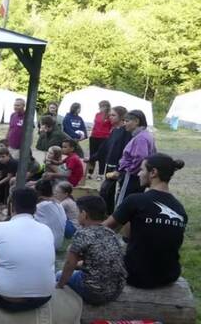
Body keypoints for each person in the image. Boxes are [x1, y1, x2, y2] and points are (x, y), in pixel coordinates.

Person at [104, 154, 186, 289]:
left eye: (142, 170)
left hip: (136, 276)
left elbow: (103, 229)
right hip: (169, 275)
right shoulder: (179, 208)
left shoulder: (135, 200)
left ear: (153, 173)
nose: (139, 174)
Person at [57, 196, 126, 305]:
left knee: (59, 275)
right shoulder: (110, 233)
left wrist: (60, 285)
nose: (77, 215)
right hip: (116, 290)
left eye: (78, 212)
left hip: (94, 292)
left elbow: (70, 264)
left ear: (84, 214)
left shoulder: (82, 234)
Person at [92, 106, 131, 214]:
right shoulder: (114, 130)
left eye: (113, 115)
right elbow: (105, 148)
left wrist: (119, 168)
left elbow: (126, 151)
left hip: (119, 167)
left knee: (106, 190)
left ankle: (113, 215)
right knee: (107, 192)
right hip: (110, 165)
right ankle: (108, 214)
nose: (110, 117)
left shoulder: (126, 131)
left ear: (121, 117)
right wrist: (92, 158)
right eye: (110, 115)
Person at [116, 110, 156, 207]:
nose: (124, 124)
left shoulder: (141, 138)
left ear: (137, 121)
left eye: (127, 121)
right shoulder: (145, 135)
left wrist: (129, 169)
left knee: (123, 203)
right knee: (133, 202)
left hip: (132, 177)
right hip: (138, 176)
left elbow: (141, 157)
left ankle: (119, 221)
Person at [34, 179, 67, 250]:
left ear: (38, 192)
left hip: (48, 245)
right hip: (58, 243)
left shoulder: (41, 206)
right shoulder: (59, 204)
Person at [88, 100, 112, 179]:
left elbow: (112, 126)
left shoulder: (110, 116)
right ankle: (90, 173)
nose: (100, 108)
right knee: (92, 155)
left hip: (104, 138)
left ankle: (100, 174)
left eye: (102, 106)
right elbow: (95, 125)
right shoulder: (97, 114)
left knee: (102, 156)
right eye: (100, 106)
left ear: (106, 107)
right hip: (94, 136)